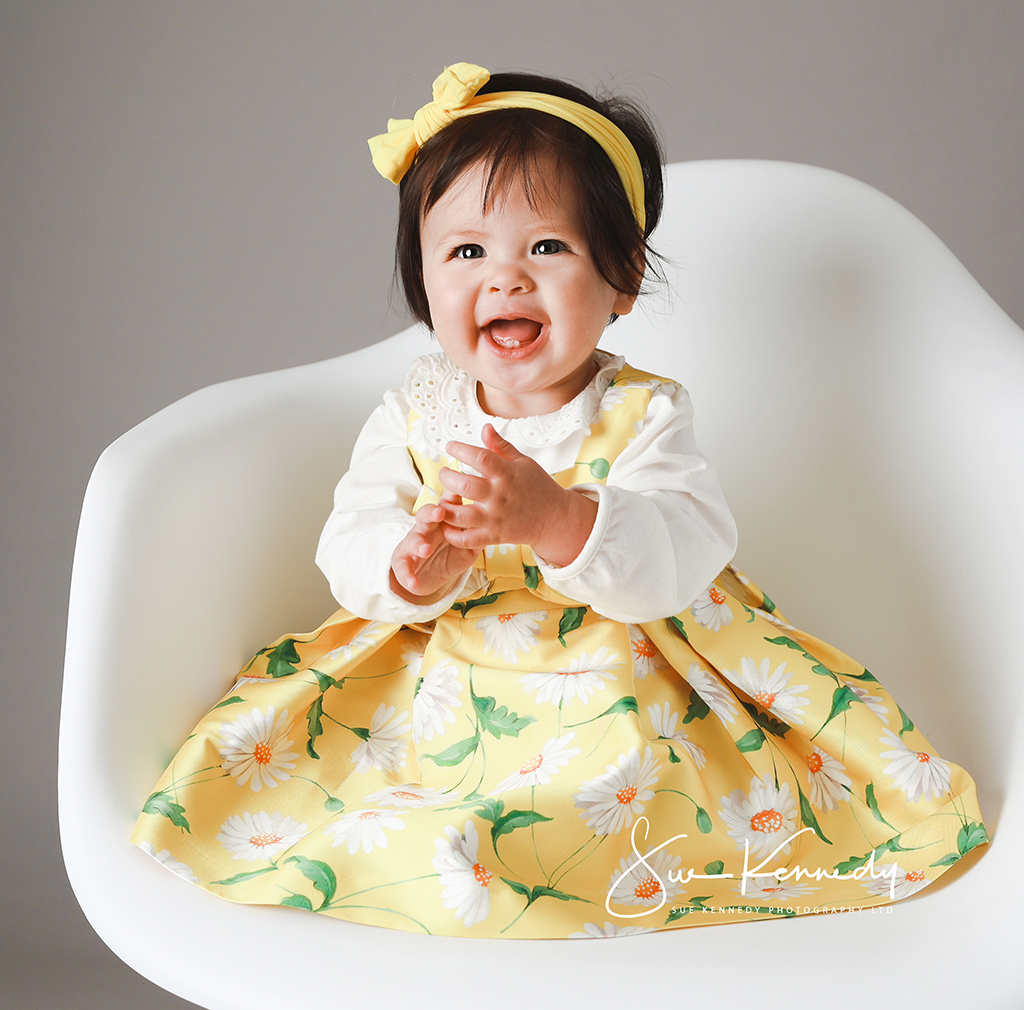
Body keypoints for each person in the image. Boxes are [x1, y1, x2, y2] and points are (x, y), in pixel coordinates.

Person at [132, 62, 987, 939]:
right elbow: (348, 538)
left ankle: (578, 866)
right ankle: (450, 850)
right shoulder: (418, 413)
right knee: (389, 796)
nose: (504, 280)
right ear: (425, 283)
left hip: (622, 672)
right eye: (466, 252)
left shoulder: (641, 411)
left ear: (621, 277)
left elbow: (685, 550)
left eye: (547, 247)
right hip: (447, 672)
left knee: (623, 789)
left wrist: (559, 520)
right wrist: (406, 564)